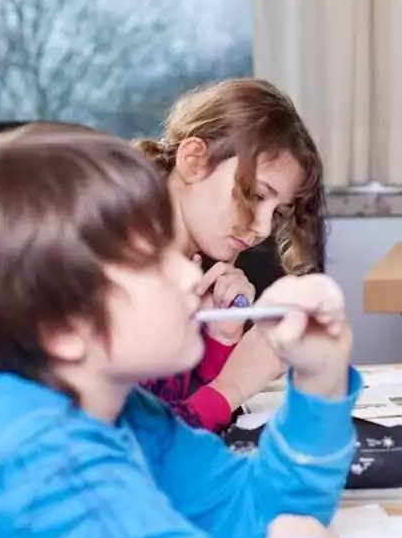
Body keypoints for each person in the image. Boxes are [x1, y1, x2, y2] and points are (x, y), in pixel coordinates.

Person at [0, 126, 358, 538]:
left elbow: (257, 511)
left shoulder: (123, 413)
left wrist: (320, 378)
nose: (186, 276)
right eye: (152, 257)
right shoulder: (44, 475)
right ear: (65, 327)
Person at [134, 78, 327, 432]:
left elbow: (183, 414)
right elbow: (140, 449)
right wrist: (231, 388)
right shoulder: (119, 276)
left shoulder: (186, 273)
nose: (264, 229)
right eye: (255, 195)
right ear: (194, 161)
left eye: (278, 211)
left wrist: (219, 342)